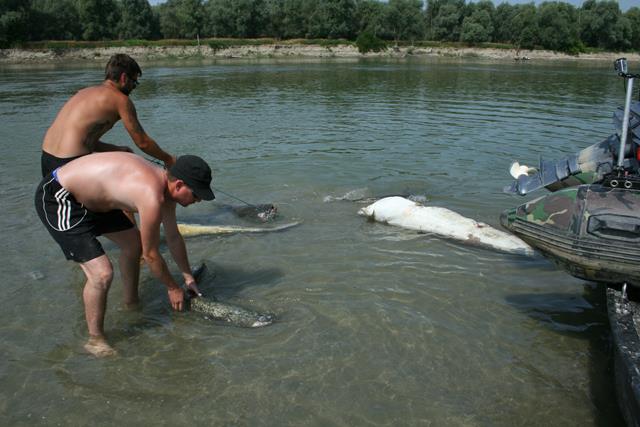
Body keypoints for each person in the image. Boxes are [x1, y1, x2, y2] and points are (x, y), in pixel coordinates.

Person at [35, 153, 215, 357]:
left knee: (133, 245)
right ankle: (95, 340)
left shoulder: (167, 191)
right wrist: (173, 287)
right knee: (102, 274)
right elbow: (151, 255)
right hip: (60, 197)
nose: (199, 200)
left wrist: (188, 277)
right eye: (196, 194)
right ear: (179, 185)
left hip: (95, 202)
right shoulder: (151, 195)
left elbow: (173, 237)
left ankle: (131, 304)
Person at [41, 53, 175, 177]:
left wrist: (118, 149)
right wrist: (169, 159)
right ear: (124, 78)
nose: (133, 88)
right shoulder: (121, 100)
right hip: (70, 163)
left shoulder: (83, 92)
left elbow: (84, 140)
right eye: (134, 83)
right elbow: (143, 143)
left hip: (47, 157)